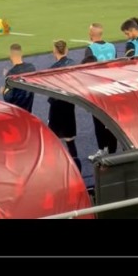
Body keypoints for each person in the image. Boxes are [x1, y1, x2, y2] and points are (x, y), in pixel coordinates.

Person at [80, 24, 118, 154]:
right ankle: (113, 150)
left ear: (90, 34)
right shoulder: (112, 47)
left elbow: (87, 69)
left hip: (97, 88)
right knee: (112, 120)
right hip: (111, 87)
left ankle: (102, 148)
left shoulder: (90, 49)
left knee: (98, 120)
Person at [47, 41, 81, 171]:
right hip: (69, 105)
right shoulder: (73, 64)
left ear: (55, 51)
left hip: (56, 106)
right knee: (70, 139)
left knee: (53, 139)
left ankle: (56, 168)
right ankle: (77, 169)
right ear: (66, 50)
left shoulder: (52, 69)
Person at [0, 43, 36, 111]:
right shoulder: (31, 67)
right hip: (28, 110)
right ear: (21, 54)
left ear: (11, 55)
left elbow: (8, 98)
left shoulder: (11, 74)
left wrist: (3, 90)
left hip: (17, 112)